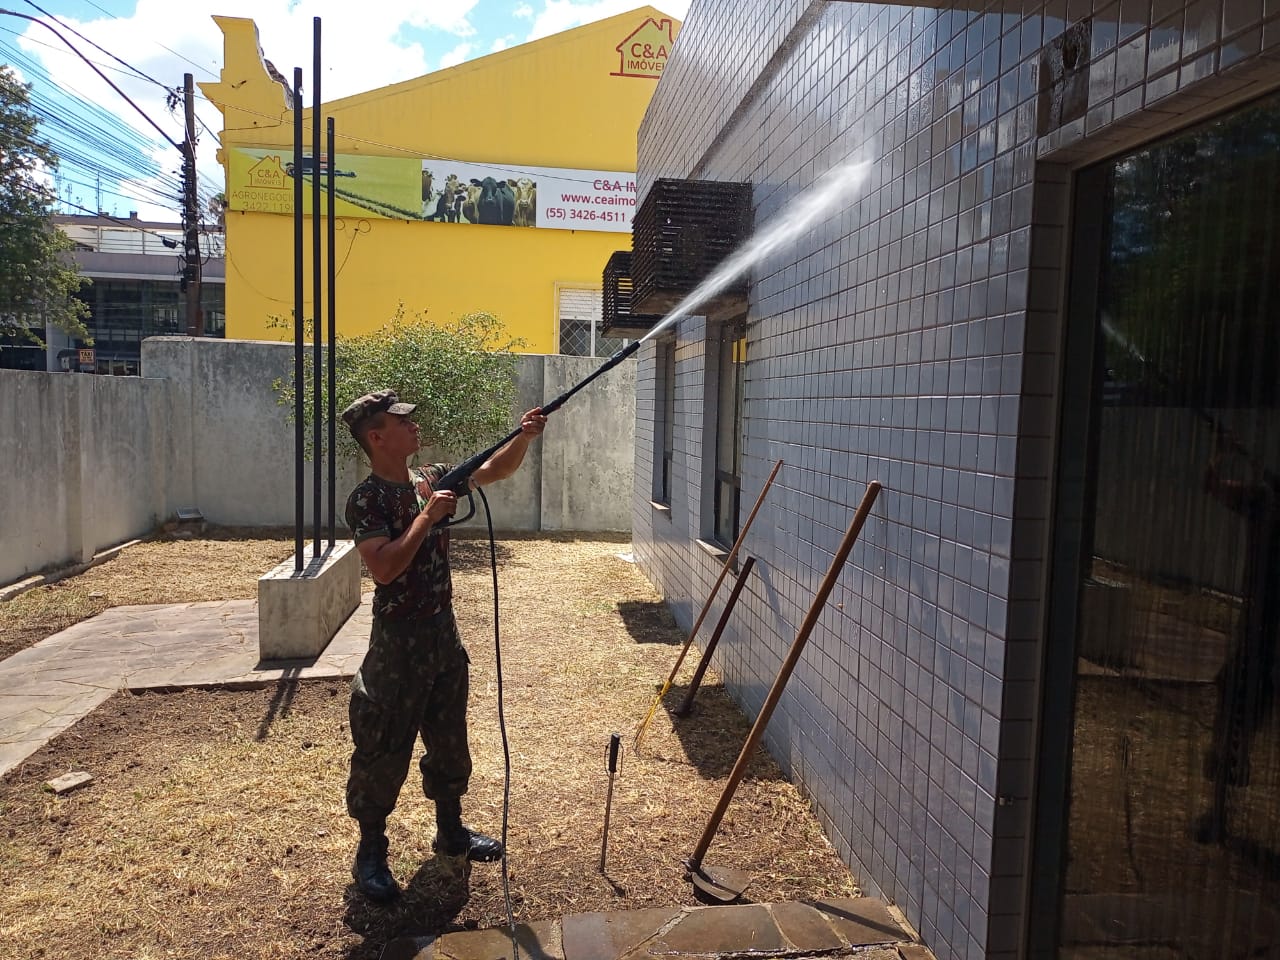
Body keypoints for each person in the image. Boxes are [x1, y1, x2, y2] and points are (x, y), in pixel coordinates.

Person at [340, 389, 547, 903]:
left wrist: (524, 436)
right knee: (383, 747)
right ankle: (371, 852)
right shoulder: (368, 499)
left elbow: (494, 470)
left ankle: (450, 831)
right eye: (401, 422)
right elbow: (384, 568)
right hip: (397, 644)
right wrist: (426, 520)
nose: (414, 427)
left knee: (450, 739)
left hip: (442, 635)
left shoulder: (430, 478)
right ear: (376, 437)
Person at [1195, 428, 1279, 844]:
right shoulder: (1263, 501)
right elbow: (1212, 485)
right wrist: (1221, 454)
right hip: (1258, 628)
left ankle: (1222, 810)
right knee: (1233, 707)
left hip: (1265, 632)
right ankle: (1221, 810)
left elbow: (1212, 485)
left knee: (1238, 709)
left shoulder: (1264, 502)